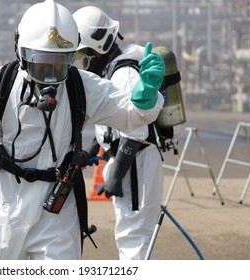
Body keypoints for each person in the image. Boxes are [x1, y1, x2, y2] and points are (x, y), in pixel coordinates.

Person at [0, 0, 164, 260]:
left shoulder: (81, 87)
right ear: (21, 53)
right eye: (42, 63)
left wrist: (146, 93)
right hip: (5, 204)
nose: (50, 75)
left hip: (58, 208)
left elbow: (130, 115)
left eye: (59, 64)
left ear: (73, 56)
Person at [73, 6, 164, 260]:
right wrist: (94, 148)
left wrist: (116, 174)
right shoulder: (113, 68)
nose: (83, 62)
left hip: (136, 163)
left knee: (134, 237)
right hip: (131, 162)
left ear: (98, 47)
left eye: (84, 55)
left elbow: (135, 130)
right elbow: (112, 121)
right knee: (131, 233)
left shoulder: (124, 73)